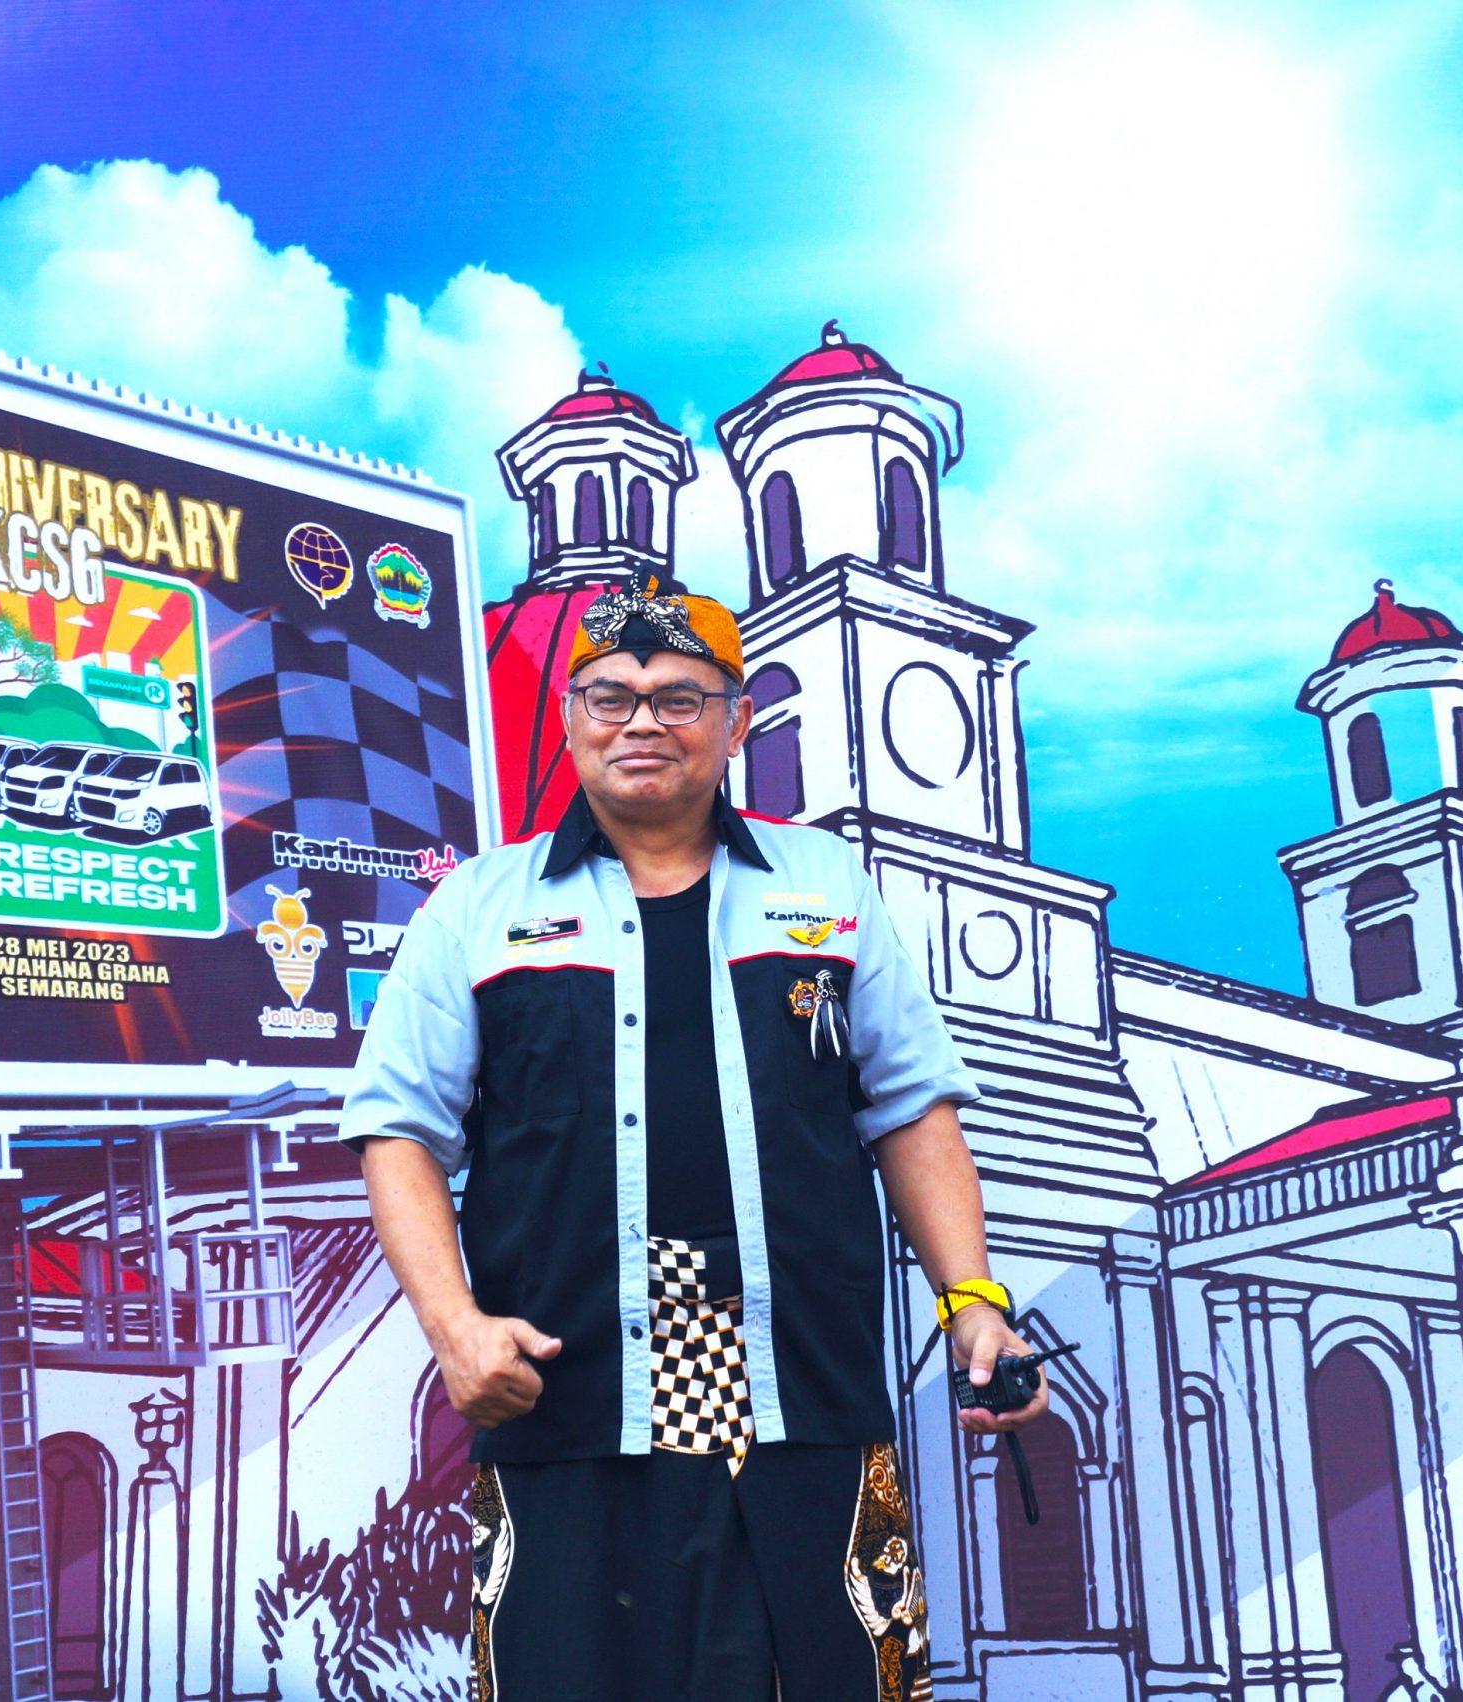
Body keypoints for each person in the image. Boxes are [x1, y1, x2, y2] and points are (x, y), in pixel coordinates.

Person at [344, 575, 1047, 1701]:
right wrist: (453, 1327)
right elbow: (398, 1131)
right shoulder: (477, 908)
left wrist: (972, 1302)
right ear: (570, 717)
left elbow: (912, 1106)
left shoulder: (826, 887)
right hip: (566, 1393)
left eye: (680, 697)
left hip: (801, 1383)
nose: (642, 722)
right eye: (610, 696)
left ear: (737, 721)